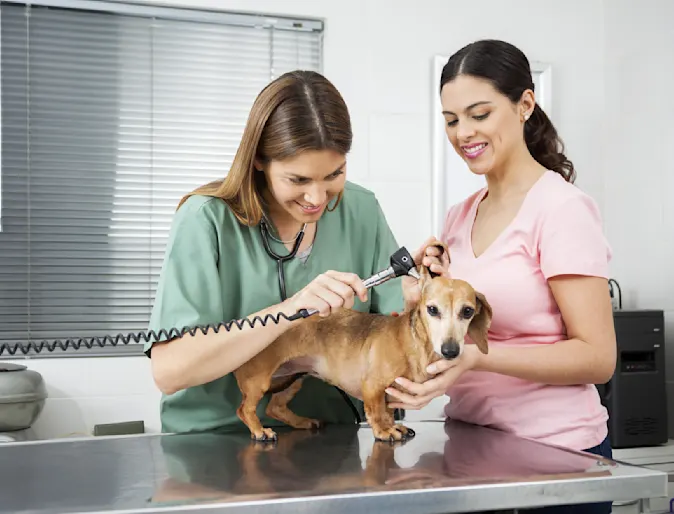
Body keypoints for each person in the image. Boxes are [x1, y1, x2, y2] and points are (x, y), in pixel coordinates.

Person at [145, 70, 447, 435]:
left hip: (332, 442)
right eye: (298, 180)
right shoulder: (205, 220)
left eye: (334, 174)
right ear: (259, 160)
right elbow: (170, 371)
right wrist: (291, 311)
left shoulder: (361, 210)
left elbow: (393, 323)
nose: (318, 198)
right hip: (216, 442)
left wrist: (424, 297)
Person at [384, 40, 616, 514]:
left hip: (556, 459)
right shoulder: (458, 216)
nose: (463, 132)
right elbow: (453, 333)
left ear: (525, 104)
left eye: (479, 114)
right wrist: (420, 298)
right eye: (451, 119)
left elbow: (598, 358)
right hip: (472, 450)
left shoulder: (561, 209)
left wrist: (476, 359)